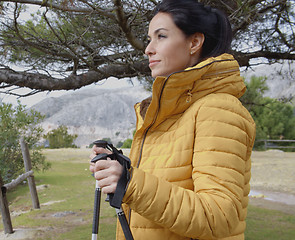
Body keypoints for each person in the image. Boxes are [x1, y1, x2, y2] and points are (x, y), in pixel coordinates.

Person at [89, 0, 256, 239]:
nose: (148, 48)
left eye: (161, 36)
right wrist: (120, 169)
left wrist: (129, 183)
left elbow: (219, 216)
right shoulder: (167, 113)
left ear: (194, 43)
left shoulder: (218, 109)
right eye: (149, 38)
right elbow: (167, 182)